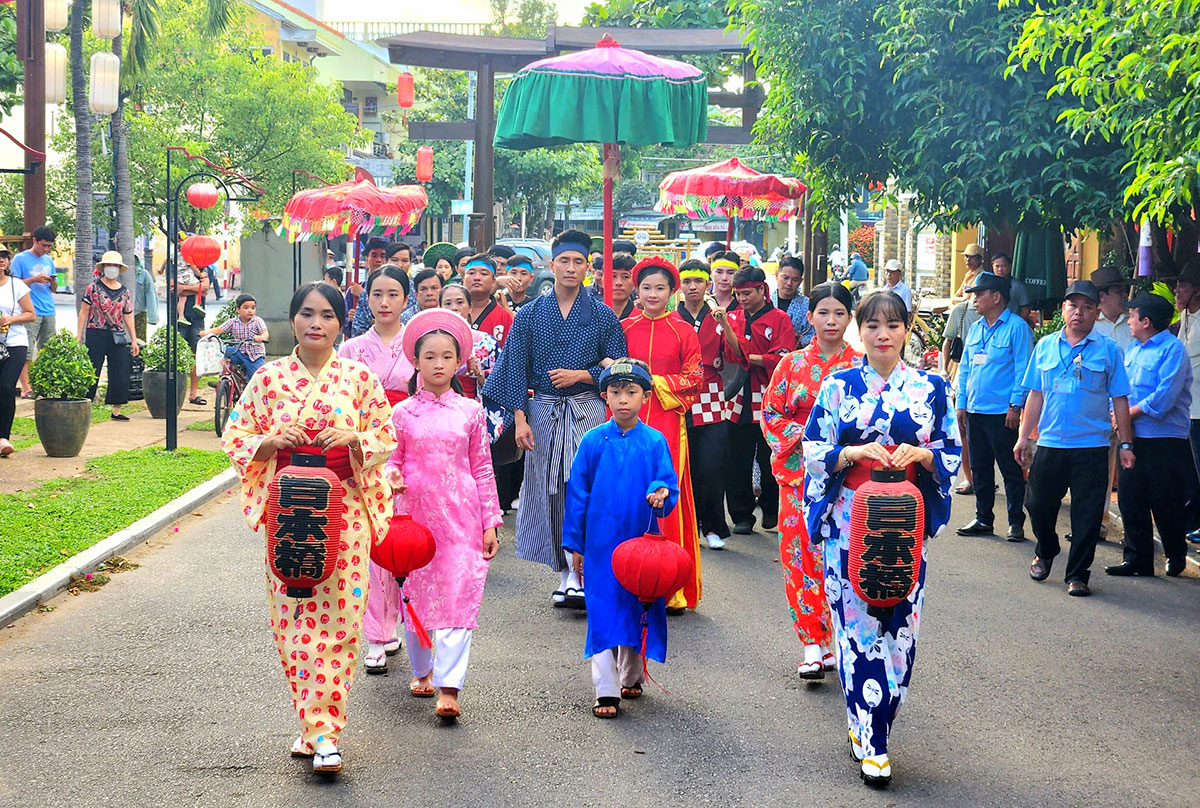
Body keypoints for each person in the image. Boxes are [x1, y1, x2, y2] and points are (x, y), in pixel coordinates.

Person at [221, 282, 396, 775]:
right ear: (292, 319)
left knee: (339, 627)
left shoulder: (359, 378)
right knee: (293, 623)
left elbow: (385, 436)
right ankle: (311, 724)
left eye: (327, 315)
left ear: (342, 323)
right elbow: (236, 434)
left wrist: (356, 438)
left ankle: (325, 733)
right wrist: (271, 440)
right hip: (290, 513)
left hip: (345, 511)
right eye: (306, 313)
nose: (316, 323)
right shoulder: (268, 378)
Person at [802, 290, 961, 786]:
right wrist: (851, 454)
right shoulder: (837, 385)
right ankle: (874, 740)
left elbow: (952, 450)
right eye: (872, 325)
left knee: (900, 630)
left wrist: (923, 456)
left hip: (904, 523)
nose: (883, 334)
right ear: (859, 330)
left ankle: (870, 721)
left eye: (893, 325)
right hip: (851, 519)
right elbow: (813, 448)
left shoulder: (932, 387)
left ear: (906, 329)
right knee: (856, 630)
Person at [482, 229, 627, 607]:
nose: (571, 268)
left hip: (588, 410)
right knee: (550, 490)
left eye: (579, 261)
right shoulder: (530, 314)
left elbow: (618, 369)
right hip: (543, 410)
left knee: (588, 487)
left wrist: (582, 375)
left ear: (588, 267)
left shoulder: (603, 314)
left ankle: (587, 570)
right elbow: (513, 366)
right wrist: (520, 417)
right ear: (552, 265)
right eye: (564, 260)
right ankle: (565, 572)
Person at [383, 309, 502, 720]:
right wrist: (392, 478)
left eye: (446, 357)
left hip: (461, 518)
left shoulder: (470, 411)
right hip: (413, 518)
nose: (437, 364)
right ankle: (423, 669)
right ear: (415, 361)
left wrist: (490, 522)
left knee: (457, 596)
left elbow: (483, 468)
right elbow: (389, 461)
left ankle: (450, 686)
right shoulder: (400, 414)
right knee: (415, 594)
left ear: (458, 362)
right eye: (429, 357)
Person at [563, 359, 679, 719]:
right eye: (616, 393)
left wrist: (661, 493)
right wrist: (575, 545)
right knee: (601, 609)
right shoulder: (593, 441)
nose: (623, 400)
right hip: (599, 543)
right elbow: (577, 494)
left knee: (636, 605)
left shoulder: (655, 441)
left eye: (631, 392)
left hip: (638, 540)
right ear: (604, 397)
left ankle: (631, 675)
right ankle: (606, 690)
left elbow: (666, 480)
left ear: (646, 397)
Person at [761, 282, 860, 680]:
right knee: (798, 557)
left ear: (850, 318)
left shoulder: (861, 366)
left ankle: (842, 640)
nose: (831, 320)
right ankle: (812, 644)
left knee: (841, 557)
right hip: (798, 474)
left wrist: (839, 444)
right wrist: (806, 436)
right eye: (823, 313)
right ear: (810, 316)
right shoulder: (790, 365)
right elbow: (771, 412)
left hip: (846, 476)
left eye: (839, 313)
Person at [1016, 280, 1135, 597]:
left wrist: (1125, 444)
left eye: (1086, 307)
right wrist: (1024, 436)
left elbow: (1120, 399)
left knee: (1087, 514)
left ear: (1096, 312)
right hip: (1052, 443)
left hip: (1092, 447)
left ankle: (1078, 575)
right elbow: (1035, 395)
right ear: (1063, 310)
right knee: (1037, 504)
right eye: (1073, 306)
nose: (1078, 312)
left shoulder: (1109, 350)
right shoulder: (1045, 347)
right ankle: (1047, 548)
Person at [338, 265, 413, 671]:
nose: (384, 303)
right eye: (376, 294)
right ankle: (377, 634)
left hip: (409, 448)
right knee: (369, 544)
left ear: (406, 299)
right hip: (366, 451)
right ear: (366, 298)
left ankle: (405, 622)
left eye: (393, 294)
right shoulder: (351, 349)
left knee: (404, 540)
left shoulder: (417, 343)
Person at [622, 257, 703, 612]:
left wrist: (650, 380)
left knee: (666, 496)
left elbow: (694, 380)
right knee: (624, 494)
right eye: (646, 288)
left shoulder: (684, 330)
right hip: (623, 421)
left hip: (668, 423)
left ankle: (670, 586)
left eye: (660, 288)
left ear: (673, 292)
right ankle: (625, 576)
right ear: (636, 291)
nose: (653, 294)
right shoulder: (623, 327)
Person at [1109, 292, 1193, 578]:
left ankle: (1175, 554)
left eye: (1132, 316)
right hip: (1131, 436)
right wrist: (1116, 414)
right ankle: (1137, 559)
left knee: (1165, 500)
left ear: (1146, 321)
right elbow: (1120, 388)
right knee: (1130, 497)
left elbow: (1164, 398)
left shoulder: (1173, 350)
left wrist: (1127, 414)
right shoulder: (1133, 349)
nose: (1129, 322)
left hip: (1164, 438)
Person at [953, 273, 1033, 541]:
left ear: (996, 297)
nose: (974, 300)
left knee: (1010, 469)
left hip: (1001, 412)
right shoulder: (976, 328)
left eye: (980, 294)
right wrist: (961, 403)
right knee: (980, 468)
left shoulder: (1017, 328)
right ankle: (984, 518)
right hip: (975, 410)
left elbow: (1023, 369)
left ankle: (1015, 522)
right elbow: (964, 368)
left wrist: (1015, 404)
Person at [715, 265, 793, 535]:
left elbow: (782, 358)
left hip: (769, 394)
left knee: (770, 455)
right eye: (738, 294)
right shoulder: (732, 317)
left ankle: (772, 508)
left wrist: (747, 358)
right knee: (736, 458)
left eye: (747, 293)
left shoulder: (780, 318)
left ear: (762, 289)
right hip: (736, 395)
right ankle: (741, 516)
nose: (742, 298)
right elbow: (728, 355)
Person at [675, 259, 732, 549]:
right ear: (680, 286)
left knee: (711, 466)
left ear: (707, 284)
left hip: (711, 395)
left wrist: (725, 323)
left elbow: (737, 354)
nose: (693, 287)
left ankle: (712, 526)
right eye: (687, 282)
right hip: (678, 396)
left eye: (698, 281)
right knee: (682, 467)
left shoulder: (718, 315)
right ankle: (684, 528)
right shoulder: (673, 317)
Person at [1087, 265, 1134, 538]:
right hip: (1097, 408)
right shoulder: (1092, 325)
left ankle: (1133, 528)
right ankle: (1098, 523)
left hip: (1130, 408)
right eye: (1117, 290)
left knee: (1130, 469)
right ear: (1103, 296)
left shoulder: (1132, 322)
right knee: (1099, 472)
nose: (1123, 295)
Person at [77, 251, 139, 420]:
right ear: (103, 267)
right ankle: (84, 407)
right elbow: (84, 312)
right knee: (92, 369)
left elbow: (128, 315)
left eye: (115, 266)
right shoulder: (93, 288)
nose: (112, 269)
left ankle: (116, 410)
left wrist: (133, 339)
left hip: (117, 335)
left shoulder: (124, 292)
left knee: (119, 371)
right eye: (109, 265)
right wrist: (79, 336)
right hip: (95, 333)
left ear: (119, 269)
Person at [12, 226, 58, 399]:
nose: (45, 249)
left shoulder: (49, 260)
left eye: (49, 246)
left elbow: (55, 288)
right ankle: (26, 387)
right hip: (30, 309)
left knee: (48, 349)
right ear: (35, 241)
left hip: (49, 308)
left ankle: (44, 383)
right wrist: (33, 279)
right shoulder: (20, 259)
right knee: (28, 349)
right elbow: (13, 285)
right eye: (43, 245)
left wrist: (52, 282)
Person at [942, 297, 981, 494]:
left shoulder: (1008, 321)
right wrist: (944, 369)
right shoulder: (961, 310)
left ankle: (982, 477)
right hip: (961, 373)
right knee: (962, 427)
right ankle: (969, 477)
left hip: (988, 383)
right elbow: (948, 342)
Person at [1173, 259, 1200, 542]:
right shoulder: (1185, 319)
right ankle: (1190, 520)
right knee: (1188, 470)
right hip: (1185, 408)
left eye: (1183, 285)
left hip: (1199, 408)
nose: (1177, 290)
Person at [0, 254, 35, 456]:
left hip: (14, 344)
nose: (1, 260)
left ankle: (4, 437)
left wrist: (11, 319)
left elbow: (31, 314)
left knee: (5, 387)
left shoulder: (17, 285)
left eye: (4, 257)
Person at [439, 284, 498, 401]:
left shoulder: (487, 342)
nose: (454, 308)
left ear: (470, 307)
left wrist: (479, 372)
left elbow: (500, 381)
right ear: (439, 307)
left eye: (460, 302)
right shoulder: (430, 341)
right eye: (447, 303)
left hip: (475, 404)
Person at [200, 294, 269, 379]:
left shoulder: (257, 321)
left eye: (253, 308)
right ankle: (223, 377)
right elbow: (220, 329)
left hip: (254, 355)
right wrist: (207, 333)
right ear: (238, 310)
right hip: (239, 351)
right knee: (222, 350)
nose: (250, 311)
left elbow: (265, 333)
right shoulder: (233, 322)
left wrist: (261, 337)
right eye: (246, 308)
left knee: (258, 378)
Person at [173, 253, 210, 406]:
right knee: (177, 354)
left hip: (197, 318)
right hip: (178, 319)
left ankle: (193, 393)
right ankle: (176, 392)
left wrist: (186, 288)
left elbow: (206, 288)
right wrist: (196, 288)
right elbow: (175, 289)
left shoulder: (203, 267)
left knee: (196, 353)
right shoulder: (176, 265)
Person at [348, 240, 404, 337]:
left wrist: (363, 295)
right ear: (366, 259)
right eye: (374, 255)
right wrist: (350, 319)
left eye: (382, 256)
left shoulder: (402, 289)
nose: (378, 260)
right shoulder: (353, 291)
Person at [463, 254, 514, 347]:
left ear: (494, 281)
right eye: (471, 273)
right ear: (463, 278)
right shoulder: (453, 310)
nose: (477, 278)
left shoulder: (504, 317)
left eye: (484, 274)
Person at [773, 256, 815, 348]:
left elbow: (814, 335)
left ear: (800, 281)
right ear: (777, 276)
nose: (789, 283)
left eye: (795, 280)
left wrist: (796, 339)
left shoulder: (808, 305)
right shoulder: (766, 301)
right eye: (785, 278)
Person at [990, 252, 1032, 322]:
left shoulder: (1017, 286)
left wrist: (1015, 323)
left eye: (1003, 266)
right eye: (997, 266)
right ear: (992, 267)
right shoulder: (989, 285)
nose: (1000, 269)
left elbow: (1025, 310)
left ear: (1009, 266)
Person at [132, 257, 158, 342]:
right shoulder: (121, 274)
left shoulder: (144, 274)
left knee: (140, 343)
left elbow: (151, 294)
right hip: (121, 315)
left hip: (139, 313)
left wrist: (153, 317)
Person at [174, 261, 208, 327]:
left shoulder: (174, 256)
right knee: (198, 286)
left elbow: (179, 290)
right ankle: (197, 304)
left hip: (180, 278)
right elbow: (193, 266)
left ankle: (181, 317)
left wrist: (161, 269)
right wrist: (200, 274)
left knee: (182, 299)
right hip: (188, 276)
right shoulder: (188, 257)